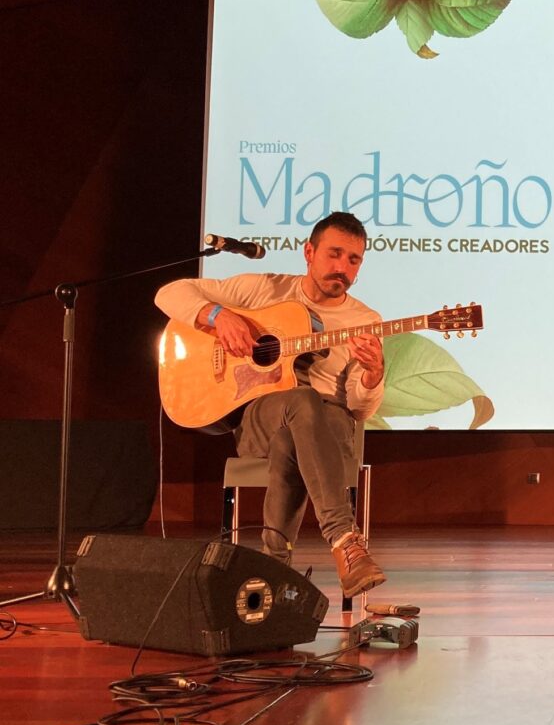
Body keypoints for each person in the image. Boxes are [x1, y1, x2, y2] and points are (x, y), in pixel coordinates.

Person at [156, 211, 387, 598]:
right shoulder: (264, 290)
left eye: (353, 259)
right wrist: (219, 316)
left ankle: (272, 570)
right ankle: (344, 540)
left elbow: (361, 409)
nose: (343, 268)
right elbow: (169, 294)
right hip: (259, 417)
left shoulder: (365, 320)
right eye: (334, 254)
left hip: (328, 425)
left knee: (292, 437)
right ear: (309, 252)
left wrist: (373, 374)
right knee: (300, 401)